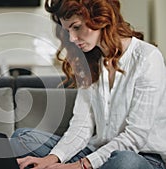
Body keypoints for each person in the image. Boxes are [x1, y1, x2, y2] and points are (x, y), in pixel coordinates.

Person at [10, 0, 166, 169]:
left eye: (76, 27)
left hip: (140, 157)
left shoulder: (148, 57)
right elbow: (81, 126)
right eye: (67, 30)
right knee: (21, 138)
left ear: (99, 17)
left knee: (125, 162)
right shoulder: (90, 63)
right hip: (94, 153)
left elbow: (136, 136)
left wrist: (78, 166)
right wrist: (52, 159)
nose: (71, 38)